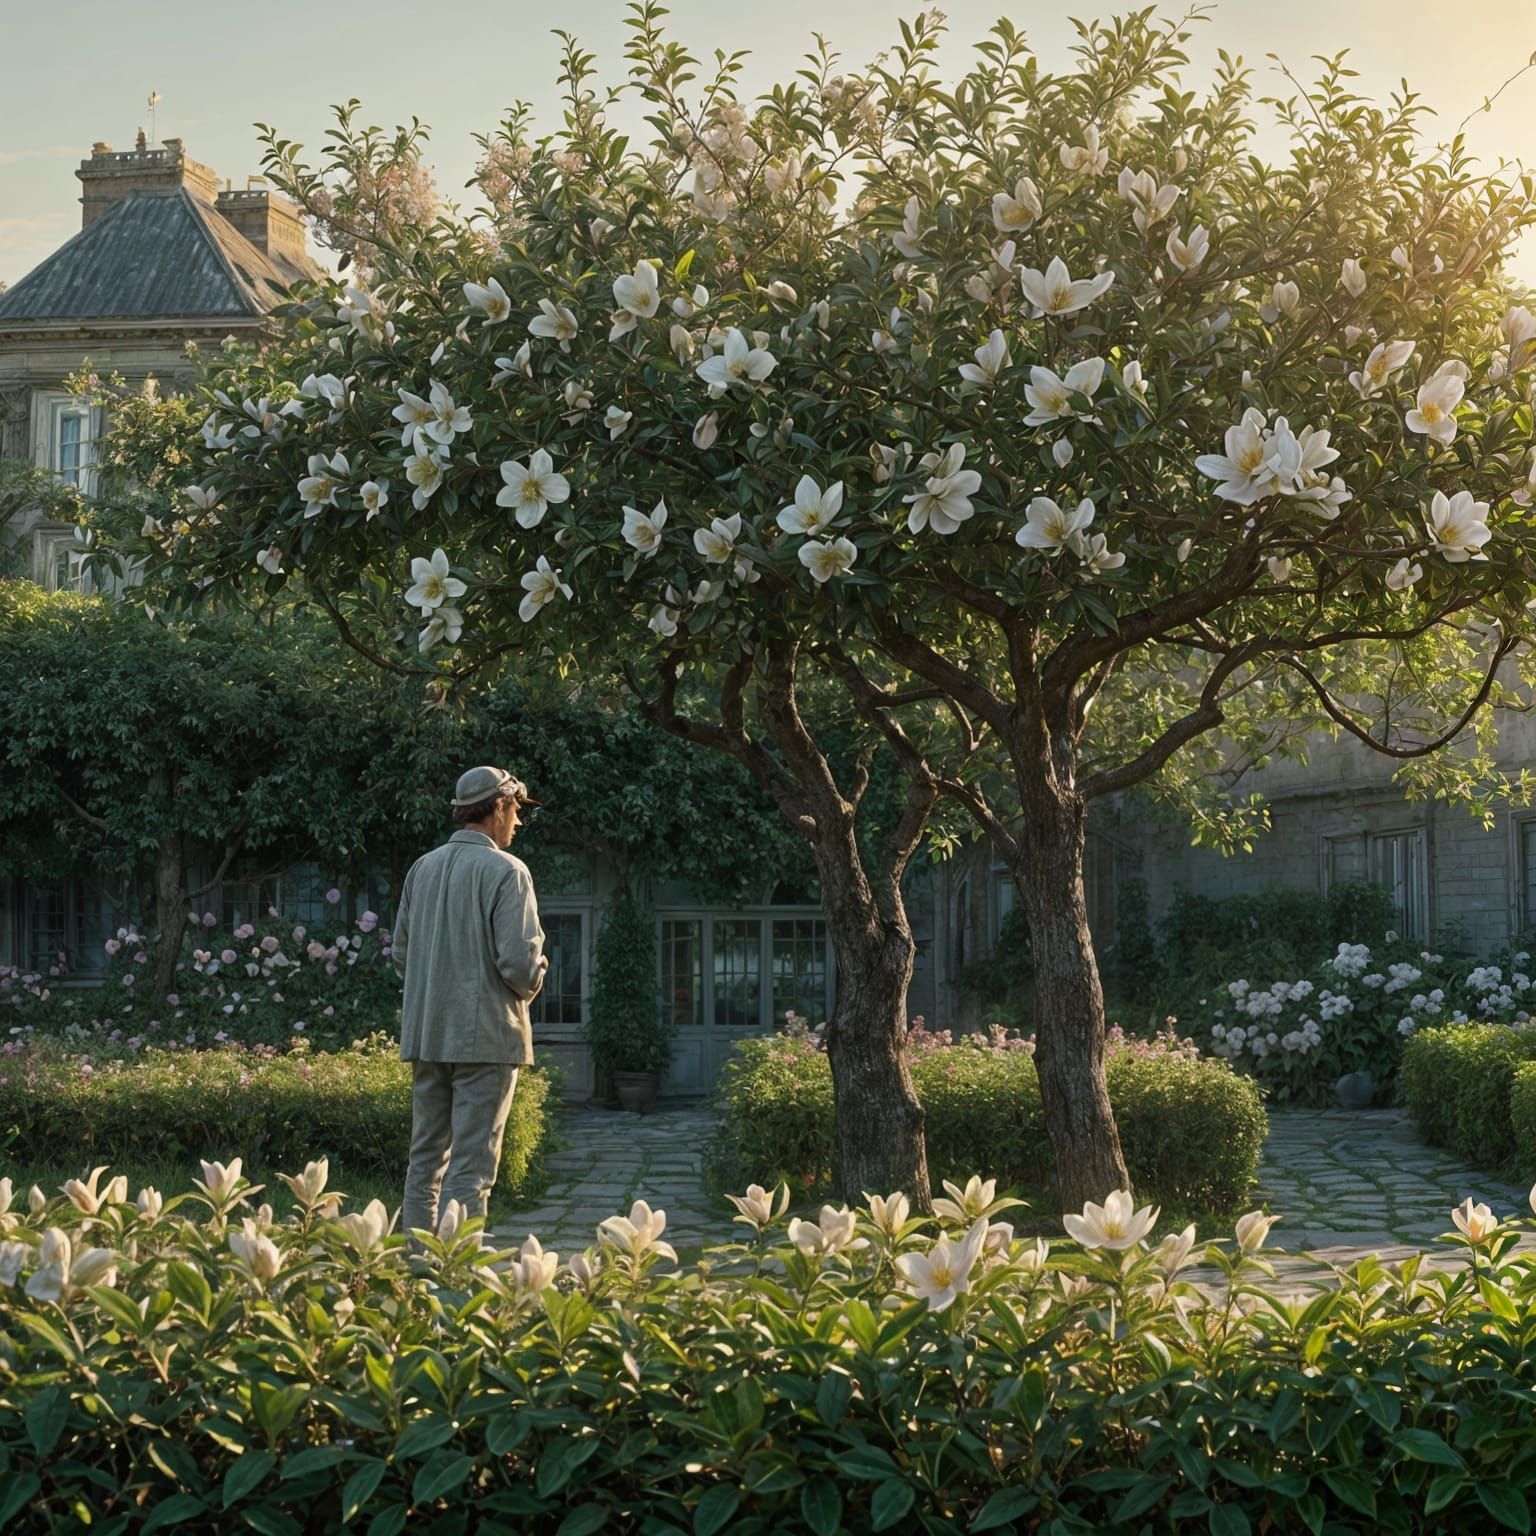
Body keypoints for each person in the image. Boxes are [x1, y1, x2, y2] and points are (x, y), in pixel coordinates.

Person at [392, 765, 548, 1240]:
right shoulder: (508, 871)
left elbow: (402, 954)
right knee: (472, 1168)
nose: (518, 823)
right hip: (487, 1039)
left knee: (424, 1162)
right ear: (498, 807)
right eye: (517, 810)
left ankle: (417, 1273)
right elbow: (519, 965)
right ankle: (456, 1284)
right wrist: (540, 973)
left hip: (427, 1034)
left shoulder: (423, 867)